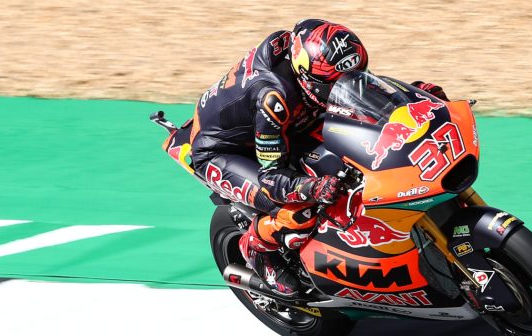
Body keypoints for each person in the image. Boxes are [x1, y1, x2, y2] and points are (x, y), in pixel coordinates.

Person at [186, 19, 448, 297]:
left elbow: (359, 90)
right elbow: (272, 175)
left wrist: (413, 97)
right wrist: (310, 187)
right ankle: (257, 249)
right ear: (306, 78)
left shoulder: (318, 65)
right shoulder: (274, 98)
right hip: (225, 150)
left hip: (289, 126)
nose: (342, 87)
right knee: (299, 210)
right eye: (333, 84)